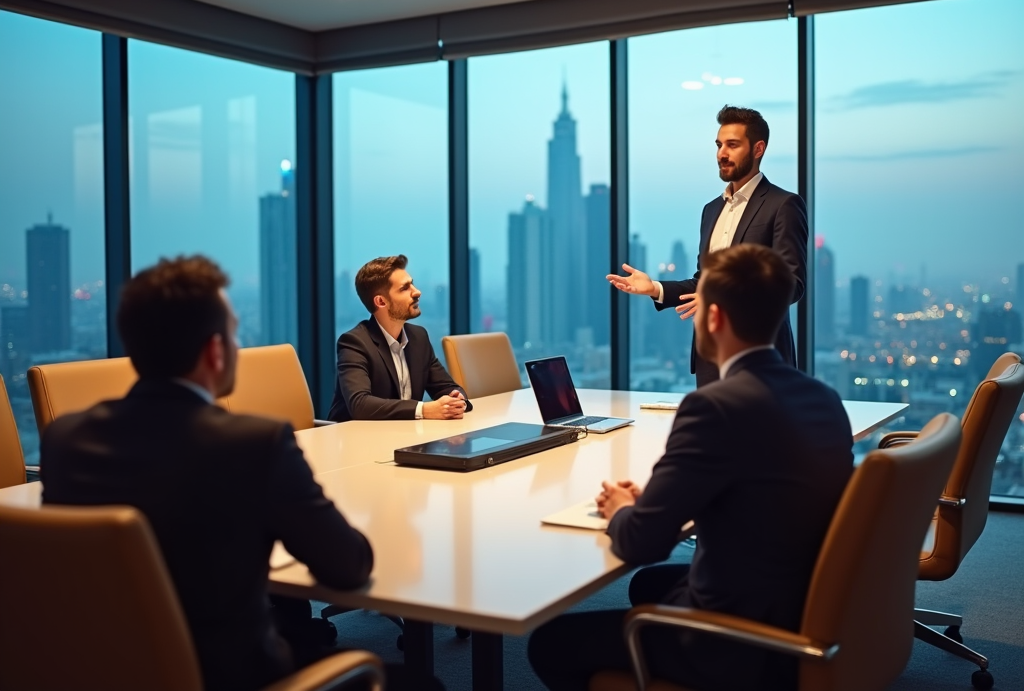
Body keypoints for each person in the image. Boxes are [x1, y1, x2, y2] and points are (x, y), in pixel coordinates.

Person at [40, 255, 437, 691]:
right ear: (215, 350)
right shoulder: (255, 443)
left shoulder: (65, 440)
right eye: (233, 333)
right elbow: (349, 566)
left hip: (105, 670)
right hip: (233, 676)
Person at [529, 244, 853, 691]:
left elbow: (641, 543)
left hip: (743, 642)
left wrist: (622, 509)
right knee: (650, 586)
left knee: (548, 643)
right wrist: (664, 501)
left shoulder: (713, 406)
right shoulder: (824, 398)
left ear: (713, 318)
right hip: (808, 601)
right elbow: (763, 489)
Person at [607, 105, 808, 387]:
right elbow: (705, 282)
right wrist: (655, 288)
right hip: (710, 359)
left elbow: (791, 284)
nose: (721, 154)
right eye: (719, 145)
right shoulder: (711, 210)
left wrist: (722, 299)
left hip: (762, 361)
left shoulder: (783, 205)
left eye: (732, 145)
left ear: (758, 149)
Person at [328, 254, 471, 422]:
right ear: (381, 301)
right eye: (405, 288)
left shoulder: (419, 337)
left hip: (406, 436)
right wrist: (424, 409)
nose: (417, 292)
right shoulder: (355, 343)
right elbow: (360, 405)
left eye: (412, 284)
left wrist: (456, 400)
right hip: (357, 441)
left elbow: (447, 387)